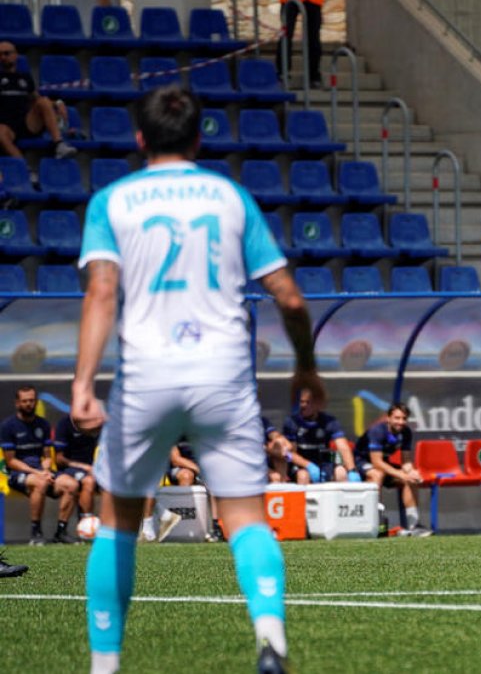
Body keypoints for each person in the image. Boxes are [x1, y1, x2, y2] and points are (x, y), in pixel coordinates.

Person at [72, 85, 323, 673]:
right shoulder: (229, 197)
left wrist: (82, 383)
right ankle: (270, 638)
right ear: (198, 136)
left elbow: (102, 291)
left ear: (139, 137)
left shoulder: (113, 200)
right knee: (244, 518)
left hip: (146, 378)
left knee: (118, 524)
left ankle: (104, 667)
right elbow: (287, 296)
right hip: (222, 376)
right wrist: (306, 365)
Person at [1, 385, 79, 545]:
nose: (29, 404)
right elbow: (11, 461)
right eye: (25, 401)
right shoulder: (8, 426)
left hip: (41, 472)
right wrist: (37, 473)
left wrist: (45, 469)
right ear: (17, 403)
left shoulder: (43, 424)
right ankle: (35, 533)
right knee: (40, 483)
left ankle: (61, 532)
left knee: (71, 484)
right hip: (16, 474)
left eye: (32, 400)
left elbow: (47, 455)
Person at [354, 403, 430, 536]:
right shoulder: (377, 431)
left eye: (404, 418)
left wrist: (411, 472)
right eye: (397, 418)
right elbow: (376, 462)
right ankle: (375, 522)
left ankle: (414, 525)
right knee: (377, 475)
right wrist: (401, 474)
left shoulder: (406, 432)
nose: (401, 422)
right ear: (388, 418)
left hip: (383, 465)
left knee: (410, 480)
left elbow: (406, 461)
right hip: (360, 463)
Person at [0, 41, 76, 163]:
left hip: (26, 122)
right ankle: (24, 169)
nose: (3, 57)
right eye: (0, 54)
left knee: (44, 102)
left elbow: (36, 98)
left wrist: (57, 103)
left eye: (6, 53)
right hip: (5, 125)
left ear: (15, 55)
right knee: (0, 132)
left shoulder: (25, 77)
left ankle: (59, 144)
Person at [283, 387, 357, 484]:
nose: (303, 405)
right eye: (302, 402)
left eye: (308, 402)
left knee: (341, 472)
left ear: (317, 404)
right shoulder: (291, 422)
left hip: (324, 456)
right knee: (303, 476)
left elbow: (343, 446)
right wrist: (308, 465)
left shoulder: (329, 421)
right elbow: (288, 453)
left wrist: (352, 471)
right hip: (302, 459)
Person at [53, 414, 99, 525]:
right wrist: (84, 467)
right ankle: (86, 524)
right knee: (88, 481)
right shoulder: (64, 424)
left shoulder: (96, 423)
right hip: (69, 469)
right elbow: (59, 459)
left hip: (92, 468)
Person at [276, 0, 323, 90]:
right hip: (289, 1)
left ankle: (313, 76)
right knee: (286, 34)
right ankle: (283, 73)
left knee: (313, 37)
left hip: (313, 1)